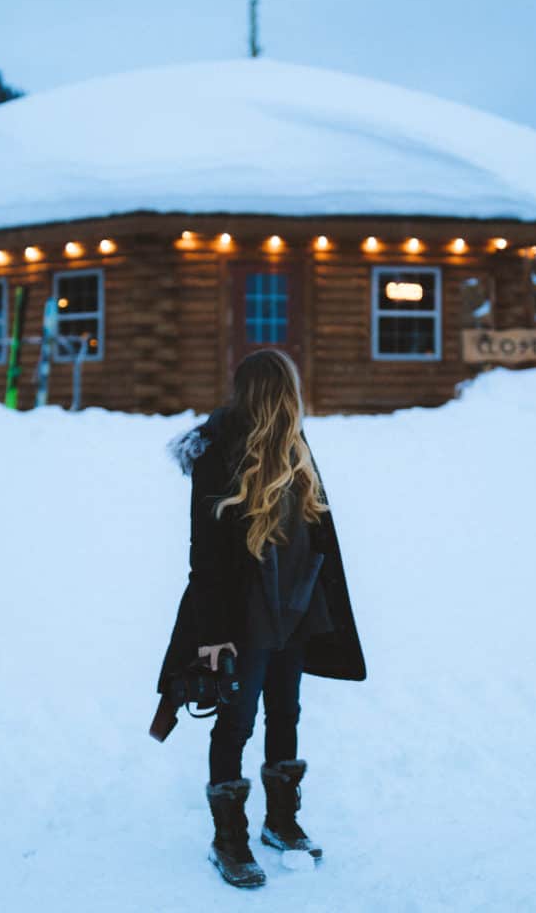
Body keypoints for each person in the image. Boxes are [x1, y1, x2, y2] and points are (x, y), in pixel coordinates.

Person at [156, 348, 367, 889]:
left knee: (285, 715)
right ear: (275, 392)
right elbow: (203, 556)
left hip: (295, 609)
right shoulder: (217, 454)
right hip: (241, 617)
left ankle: (281, 821)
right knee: (235, 723)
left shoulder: (297, 446)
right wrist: (210, 638)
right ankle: (229, 839)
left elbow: (319, 532)